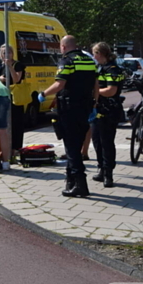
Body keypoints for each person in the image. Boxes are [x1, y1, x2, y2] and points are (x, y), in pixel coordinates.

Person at [39, 35, 98, 197]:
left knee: (71, 147)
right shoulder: (89, 60)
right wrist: (94, 103)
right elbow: (96, 84)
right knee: (76, 144)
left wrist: (43, 94)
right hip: (85, 107)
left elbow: (60, 84)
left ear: (63, 47)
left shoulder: (67, 61)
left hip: (69, 108)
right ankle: (70, 180)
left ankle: (80, 184)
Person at [90, 42, 125, 188]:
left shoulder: (112, 69)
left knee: (106, 142)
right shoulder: (100, 68)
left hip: (109, 110)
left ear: (100, 53)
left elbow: (111, 91)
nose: (93, 56)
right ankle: (101, 169)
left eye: (94, 53)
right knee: (97, 140)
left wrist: (93, 93)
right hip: (98, 110)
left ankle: (108, 174)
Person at [0, 44, 27, 158]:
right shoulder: (1, 66)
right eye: (4, 53)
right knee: (5, 124)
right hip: (5, 97)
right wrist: (0, 79)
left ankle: (16, 149)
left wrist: (10, 67)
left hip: (16, 98)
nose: (7, 55)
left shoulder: (18, 65)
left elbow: (16, 80)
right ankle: (7, 149)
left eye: (9, 52)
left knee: (16, 124)